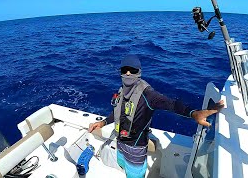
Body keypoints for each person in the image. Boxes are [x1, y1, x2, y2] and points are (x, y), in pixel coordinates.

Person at [88, 55, 224, 178]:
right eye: (125, 70)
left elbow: (171, 104)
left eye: (132, 70)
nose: (128, 74)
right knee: (122, 167)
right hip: (120, 145)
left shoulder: (148, 95)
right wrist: (103, 122)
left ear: (139, 73)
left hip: (136, 152)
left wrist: (194, 113)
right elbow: (119, 113)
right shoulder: (122, 91)